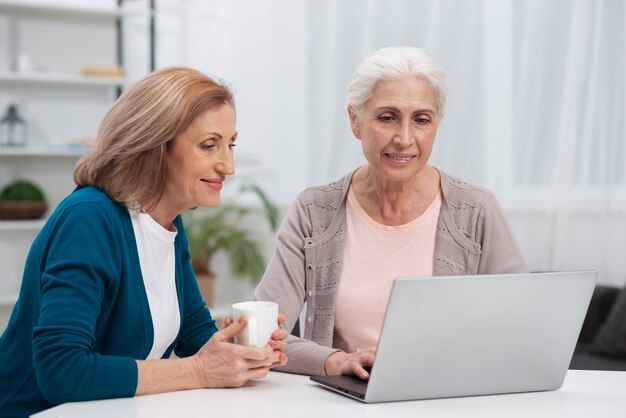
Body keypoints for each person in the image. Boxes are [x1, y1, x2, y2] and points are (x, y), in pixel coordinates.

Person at [0, 67, 288, 418]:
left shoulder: (168, 223)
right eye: (209, 145)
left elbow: (195, 334)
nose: (228, 165)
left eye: (230, 145)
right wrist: (198, 370)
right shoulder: (89, 218)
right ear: (154, 146)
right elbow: (62, 370)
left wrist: (239, 349)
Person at [255, 47, 528, 379]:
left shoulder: (477, 210)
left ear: (436, 125)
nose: (405, 138)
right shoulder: (314, 211)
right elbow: (265, 334)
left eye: (422, 120)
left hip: (448, 397)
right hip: (344, 399)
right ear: (355, 121)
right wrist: (335, 361)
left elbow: (520, 329)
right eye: (387, 117)